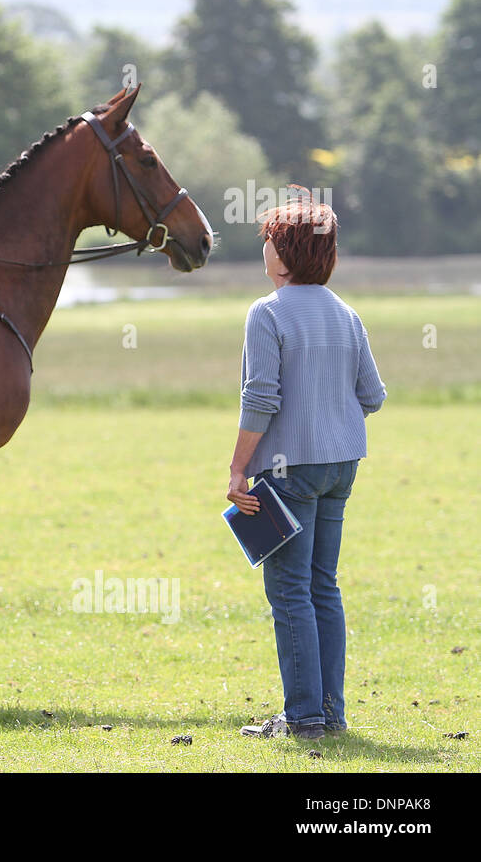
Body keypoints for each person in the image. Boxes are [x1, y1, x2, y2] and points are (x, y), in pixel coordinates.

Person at [226, 189, 386, 741]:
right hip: (342, 465)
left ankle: (304, 719)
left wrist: (236, 468)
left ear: (286, 253)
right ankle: (330, 713)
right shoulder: (347, 313)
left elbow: (260, 398)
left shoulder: (265, 313)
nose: (264, 248)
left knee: (290, 590)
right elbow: (373, 395)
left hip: (289, 471)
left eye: (269, 240)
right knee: (323, 586)